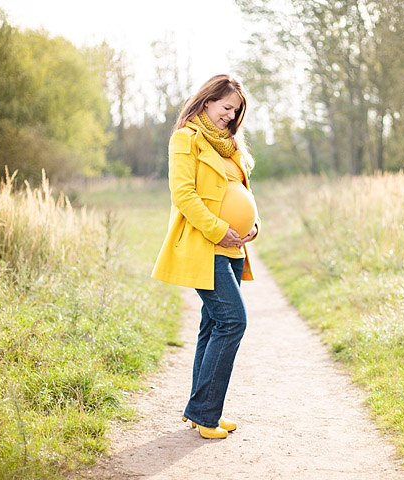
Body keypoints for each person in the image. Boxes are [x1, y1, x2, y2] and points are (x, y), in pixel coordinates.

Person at [152, 74, 259, 439]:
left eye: (236, 111)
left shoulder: (228, 146)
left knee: (213, 325)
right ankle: (205, 414)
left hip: (231, 247)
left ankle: (202, 410)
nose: (230, 116)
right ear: (207, 101)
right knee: (233, 321)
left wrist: (253, 223)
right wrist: (218, 228)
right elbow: (183, 194)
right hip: (205, 245)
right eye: (226, 107)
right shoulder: (186, 139)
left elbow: (240, 190)